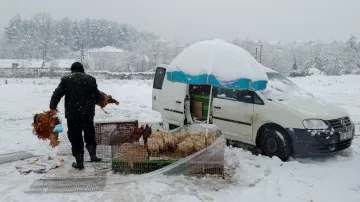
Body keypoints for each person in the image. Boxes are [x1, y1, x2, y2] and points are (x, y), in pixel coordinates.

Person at [49, 62, 105, 170]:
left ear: (72, 70)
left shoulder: (66, 80)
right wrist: (103, 99)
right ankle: (93, 155)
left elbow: (57, 94)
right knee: (89, 132)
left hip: (73, 114)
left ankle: (79, 161)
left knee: (75, 135)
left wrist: (52, 107)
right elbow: (97, 95)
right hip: (88, 113)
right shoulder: (91, 79)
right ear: (83, 69)